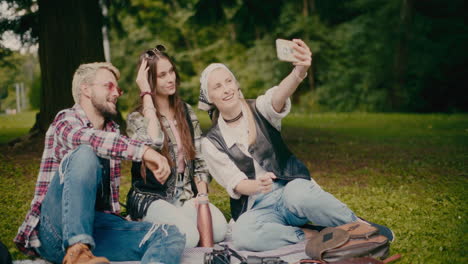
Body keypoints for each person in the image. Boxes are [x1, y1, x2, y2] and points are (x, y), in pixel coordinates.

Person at [198, 39, 394, 251]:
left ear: (237, 85)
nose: (226, 89)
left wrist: (299, 71)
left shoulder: (260, 108)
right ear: (210, 97)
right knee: (243, 234)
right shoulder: (211, 143)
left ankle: (358, 225)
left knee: (299, 194)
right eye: (217, 87)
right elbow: (235, 184)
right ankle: (314, 234)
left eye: (228, 81)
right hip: (258, 208)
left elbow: (279, 95)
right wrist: (257, 186)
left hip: (289, 190)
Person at [14, 62, 185, 264]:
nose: (116, 93)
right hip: (54, 232)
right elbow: (89, 140)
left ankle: (85, 253)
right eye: (108, 86)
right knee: (85, 153)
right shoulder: (65, 120)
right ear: (86, 89)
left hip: (95, 229)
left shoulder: (112, 131)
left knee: (168, 233)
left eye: (117, 88)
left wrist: (146, 92)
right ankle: (77, 250)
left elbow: (154, 141)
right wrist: (144, 152)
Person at [126, 45, 227, 248]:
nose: (170, 78)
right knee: (188, 238)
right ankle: (138, 223)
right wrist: (146, 93)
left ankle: (175, 222)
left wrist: (202, 199)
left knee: (218, 231)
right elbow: (153, 141)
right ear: (149, 80)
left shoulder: (186, 111)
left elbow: (199, 160)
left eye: (171, 71)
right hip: (151, 198)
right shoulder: (136, 118)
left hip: (185, 196)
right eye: (162, 75)